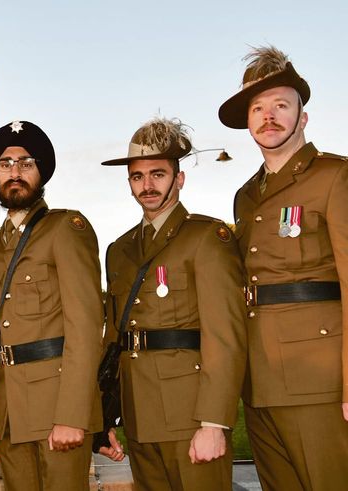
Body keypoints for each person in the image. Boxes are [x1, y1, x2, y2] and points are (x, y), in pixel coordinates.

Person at [218, 46, 348, 490]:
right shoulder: (246, 196)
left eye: (280, 105)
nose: (268, 116)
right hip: (260, 380)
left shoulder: (334, 176)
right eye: (258, 108)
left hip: (318, 378)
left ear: (302, 117)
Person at [98, 118, 246, 489]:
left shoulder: (206, 237)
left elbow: (226, 336)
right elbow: (114, 339)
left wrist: (214, 422)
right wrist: (104, 415)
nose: (147, 185)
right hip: (139, 416)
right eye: (137, 176)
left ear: (179, 179)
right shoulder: (120, 250)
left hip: (190, 416)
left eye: (158, 174)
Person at [0, 120, 102, 491]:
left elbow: (85, 327)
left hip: (56, 405)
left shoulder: (66, 229)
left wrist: (72, 414)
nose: (14, 172)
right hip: (11, 411)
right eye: (5, 164)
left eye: (26, 163)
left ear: (41, 172)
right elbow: (5, 325)